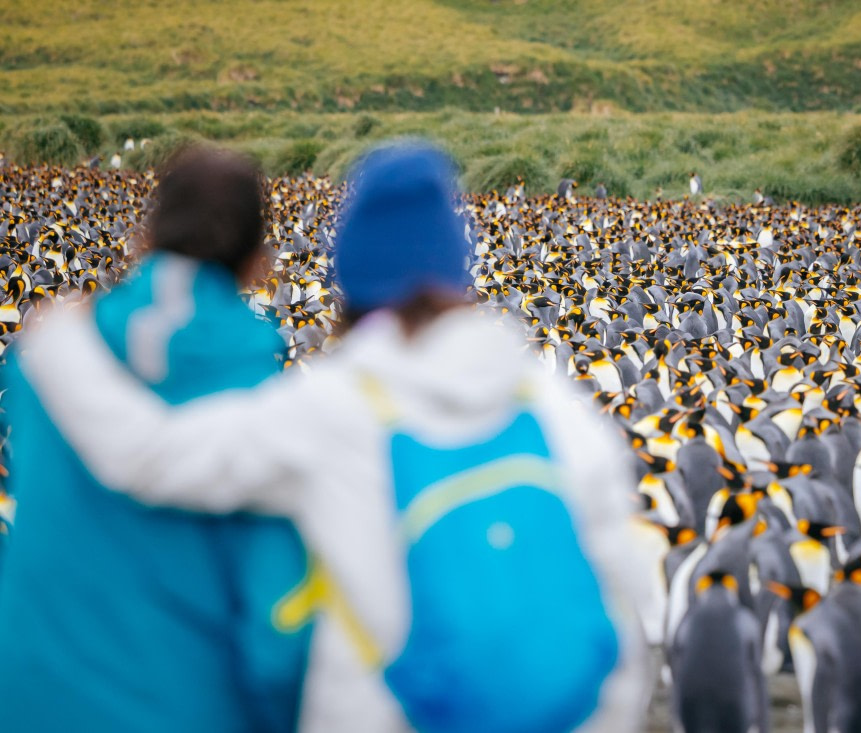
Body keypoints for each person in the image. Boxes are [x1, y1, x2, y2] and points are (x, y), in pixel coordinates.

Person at [20, 141, 648, 732]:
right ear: (457, 268)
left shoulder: (334, 408)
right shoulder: (557, 405)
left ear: (352, 279)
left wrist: (57, 343)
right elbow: (629, 600)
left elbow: (148, 456)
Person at [0, 147, 312, 730]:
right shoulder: (265, 400)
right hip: (184, 709)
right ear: (259, 263)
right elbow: (278, 627)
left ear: (146, 237)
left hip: (30, 702)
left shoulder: (39, 360)